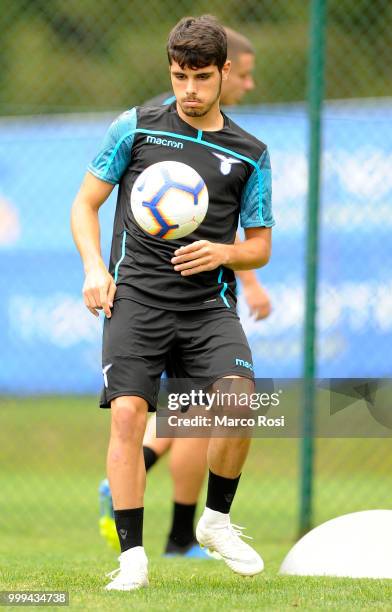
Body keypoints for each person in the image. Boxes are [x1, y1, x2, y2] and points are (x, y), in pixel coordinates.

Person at [71, 15, 274, 590]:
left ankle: (214, 522)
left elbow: (259, 247)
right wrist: (92, 268)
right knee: (131, 415)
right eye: (180, 76)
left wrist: (223, 253)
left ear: (223, 73)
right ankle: (133, 561)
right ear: (170, 70)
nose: (189, 89)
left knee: (238, 402)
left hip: (208, 307)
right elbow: (84, 205)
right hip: (135, 297)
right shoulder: (134, 129)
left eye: (202, 77)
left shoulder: (250, 153)